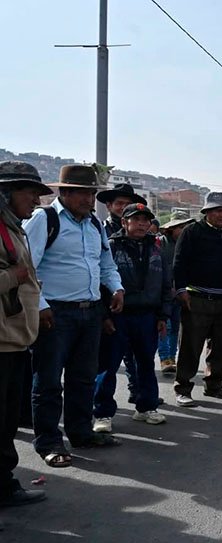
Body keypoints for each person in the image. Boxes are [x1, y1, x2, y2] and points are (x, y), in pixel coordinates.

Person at [24, 164, 125, 466]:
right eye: (82, 193)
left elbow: (105, 262)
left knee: (83, 378)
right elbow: (27, 267)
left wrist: (116, 288)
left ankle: (81, 433)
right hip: (55, 314)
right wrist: (40, 305)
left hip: (90, 311)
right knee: (49, 382)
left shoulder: (93, 224)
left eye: (92, 193)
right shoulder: (45, 219)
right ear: (64, 192)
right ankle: (49, 443)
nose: (88, 199)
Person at [92, 203, 171, 432]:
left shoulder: (156, 248)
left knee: (146, 363)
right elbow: (100, 282)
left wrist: (162, 315)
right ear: (125, 222)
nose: (142, 224)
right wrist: (104, 315)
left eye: (146, 220)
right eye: (136, 220)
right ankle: (103, 413)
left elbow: (166, 285)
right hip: (118, 316)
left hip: (147, 316)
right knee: (108, 365)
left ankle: (146, 407)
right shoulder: (112, 246)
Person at [0, 161, 50, 506]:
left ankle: (4, 485)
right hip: (2, 342)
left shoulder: (14, 227)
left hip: (15, 340)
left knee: (6, 424)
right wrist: (14, 277)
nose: (35, 199)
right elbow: (14, 275)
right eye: (29, 192)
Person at [172, 192, 222, 407]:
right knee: (190, 346)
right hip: (196, 297)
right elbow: (179, 264)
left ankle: (214, 385)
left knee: (220, 346)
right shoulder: (192, 232)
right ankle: (183, 388)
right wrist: (180, 291)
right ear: (207, 212)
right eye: (217, 211)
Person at [156, 211, 195, 374]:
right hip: (162, 293)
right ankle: (165, 358)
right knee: (165, 326)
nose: (184, 229)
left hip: (180, 293)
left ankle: (172, 358)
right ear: (171, 228)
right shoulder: (159, 244)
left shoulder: (187, 245)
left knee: (175, 328)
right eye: (180, 226)